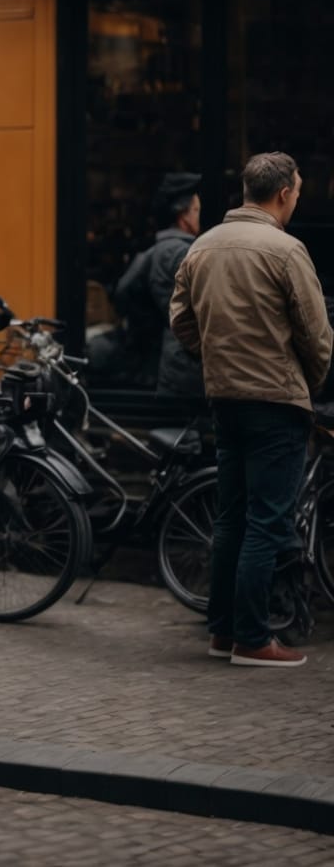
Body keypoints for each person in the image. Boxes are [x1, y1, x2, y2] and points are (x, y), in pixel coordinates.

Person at [170, 152, 332, 668]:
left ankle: (223, 633)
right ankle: (253, 639)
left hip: (225, 398)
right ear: (283, 193)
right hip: (276, 402)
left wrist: (215, 359)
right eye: (298, 191)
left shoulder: (202, 246)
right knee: (267, 521)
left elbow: (181, 321)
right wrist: (310, 381)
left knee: (232, 518)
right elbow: (316, 333)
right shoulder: (286, 250)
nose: (297, 198)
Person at [117, 172, 203, 398]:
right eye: (196, 210)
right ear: (183, 215)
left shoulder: (156, 250)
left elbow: (122, 293)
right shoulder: (181, 252)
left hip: (160, 362)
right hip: (182, 365)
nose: (199, 217)